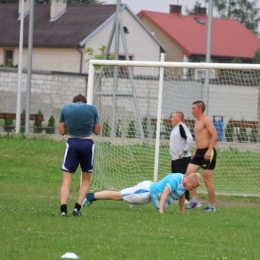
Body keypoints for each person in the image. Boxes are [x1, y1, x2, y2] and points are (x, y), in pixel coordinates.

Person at [59, 94, 101, 217]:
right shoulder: (92, 109)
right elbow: (97, 131)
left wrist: (72, 127)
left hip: (72, 143)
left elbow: (62, 131)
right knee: (86, 180)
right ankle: (77, 208)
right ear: (85, 102)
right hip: (87, 144)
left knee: (66, 181)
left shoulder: (65, 109)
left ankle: (63, 209)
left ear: (73, 102)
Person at [82, 172, 202, 214]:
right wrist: (161, 212)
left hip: (148, 195)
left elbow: (181, 197)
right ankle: (91, 196)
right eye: (194, 186)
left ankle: (91, 197)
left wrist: (182, 212)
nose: (192, 189)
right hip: (146, 191)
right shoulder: (176, 179)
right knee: (118, 196)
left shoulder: (183, 185)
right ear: (189, 180)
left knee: (118, 196)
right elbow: (165, 193)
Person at [185, 100, 218, 212]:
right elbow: (200, 138)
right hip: (198, 152)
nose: (191, 110)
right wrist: (196, 150)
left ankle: (212, 206)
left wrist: (209, 151)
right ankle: (195, 201)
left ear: (200, 109)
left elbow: (214, 136)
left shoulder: (206, 120)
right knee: (188, 175)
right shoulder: (196, 121)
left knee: (207, 180)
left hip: (208, 152)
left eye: (193, 108)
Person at [170, 112, 194, 204]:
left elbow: (190, 140)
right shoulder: (176, 128)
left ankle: (186, 198)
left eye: (173, 117)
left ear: (179, 118)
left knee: (183, 178)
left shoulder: (182, 126)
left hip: (182, 159)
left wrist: (183, 152)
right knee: (176, 179)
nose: (171, 118)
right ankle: (177, 197)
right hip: (175, 159)